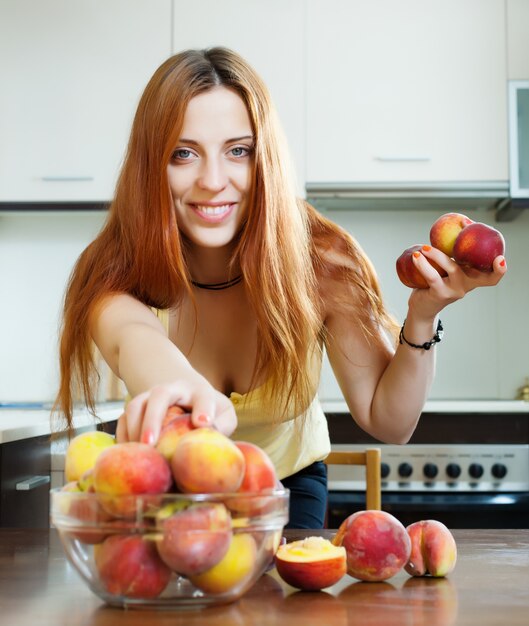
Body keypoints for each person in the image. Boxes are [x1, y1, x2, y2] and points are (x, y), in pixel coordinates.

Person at [55, 47, 507, 529]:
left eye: (238, 151)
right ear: (151, 166)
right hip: (165, 489)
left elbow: (390, 422)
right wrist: (193, 401)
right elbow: (133, 339)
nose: (213, 180)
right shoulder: (115, 270)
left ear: (264, 157)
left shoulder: (320, 261)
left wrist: (423, 314)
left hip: (287, 486)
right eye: (182, 153)